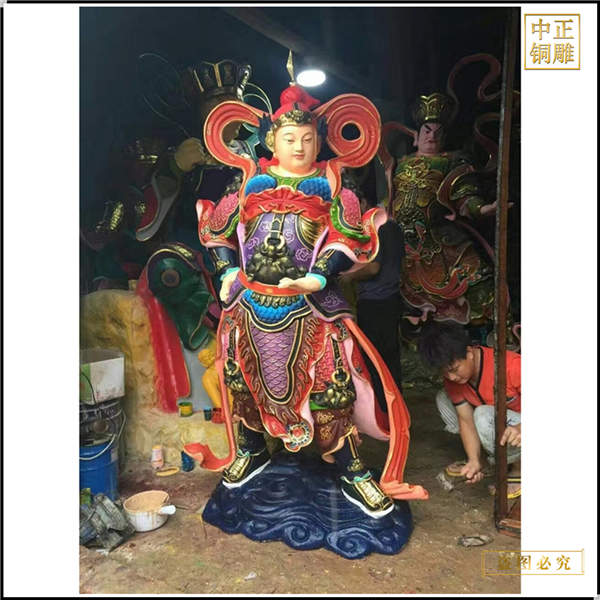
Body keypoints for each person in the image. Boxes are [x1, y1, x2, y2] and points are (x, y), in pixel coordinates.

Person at [183, 68, 428, 518]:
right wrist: (227, 270)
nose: (299, 147)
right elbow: (217, 231)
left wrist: (318, 276)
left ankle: (352, 468)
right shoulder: (247, 181)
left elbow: (348, 235)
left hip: (312, 308)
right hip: (249, 305)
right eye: (290, 138)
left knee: (333, 388)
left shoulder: (335, 185)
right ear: (270, 141)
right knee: (241, 381)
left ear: (320, 142)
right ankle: (253, 448)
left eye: (308, 139)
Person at [384, 93, 505, 341]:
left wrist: (483, 209)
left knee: (478, 277)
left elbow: (464, 193)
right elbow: (390, 198)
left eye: (438, 132)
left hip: (439, 239)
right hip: (403, 243)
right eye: (427, 131)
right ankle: (414, 339)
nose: (432, 136)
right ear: (416, 136)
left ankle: (493, 333)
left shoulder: (452, 162)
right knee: (399, 291)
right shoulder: (401, 164)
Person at [417, 320, 521, 498]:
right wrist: (473, 459)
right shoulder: (453, 381)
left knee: (482, 415)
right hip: (503, 428)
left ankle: (520, 469)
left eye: (454, 369)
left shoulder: (511, 366)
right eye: (444, 373)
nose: (451, 377)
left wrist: (521, 427)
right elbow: (465, 420)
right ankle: (483, 459)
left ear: (469, 352)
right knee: (444, 398)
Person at [339, 190, 405, 412]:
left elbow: (373, 267)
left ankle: (383, 409)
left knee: (375, 359)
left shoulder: (375, 227)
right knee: (390, 357)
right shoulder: (392, 225)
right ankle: (395, 406)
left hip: (375, 301)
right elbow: (399, 264)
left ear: (363, 202)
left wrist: (349, 276)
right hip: (391, 298)